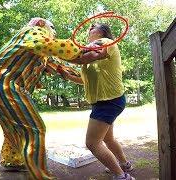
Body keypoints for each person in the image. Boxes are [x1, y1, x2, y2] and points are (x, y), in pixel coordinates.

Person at [0, 17, 83, 179]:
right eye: (52, 28)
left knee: (14, 129)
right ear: (41, 24)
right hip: (1, 84)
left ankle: (13, 161)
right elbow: (45, 45)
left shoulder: (41, 55)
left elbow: (61, 69)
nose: (54, 33)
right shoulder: (32, 32)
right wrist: (80, 51)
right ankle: (40, 176)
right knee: (34, 129)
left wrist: (87, 73)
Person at [58, 23, 135, 180]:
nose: (90, 28)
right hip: (107, 101)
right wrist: (66, 75)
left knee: (92, 143)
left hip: (108, 102)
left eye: (94, 27)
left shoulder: (106, 42)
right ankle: (124, 164)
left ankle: (121, 176)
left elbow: (89, 56)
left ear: (103, 32)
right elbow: (84, 80)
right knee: (108, 139)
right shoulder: (92, 48)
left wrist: (58, 52)